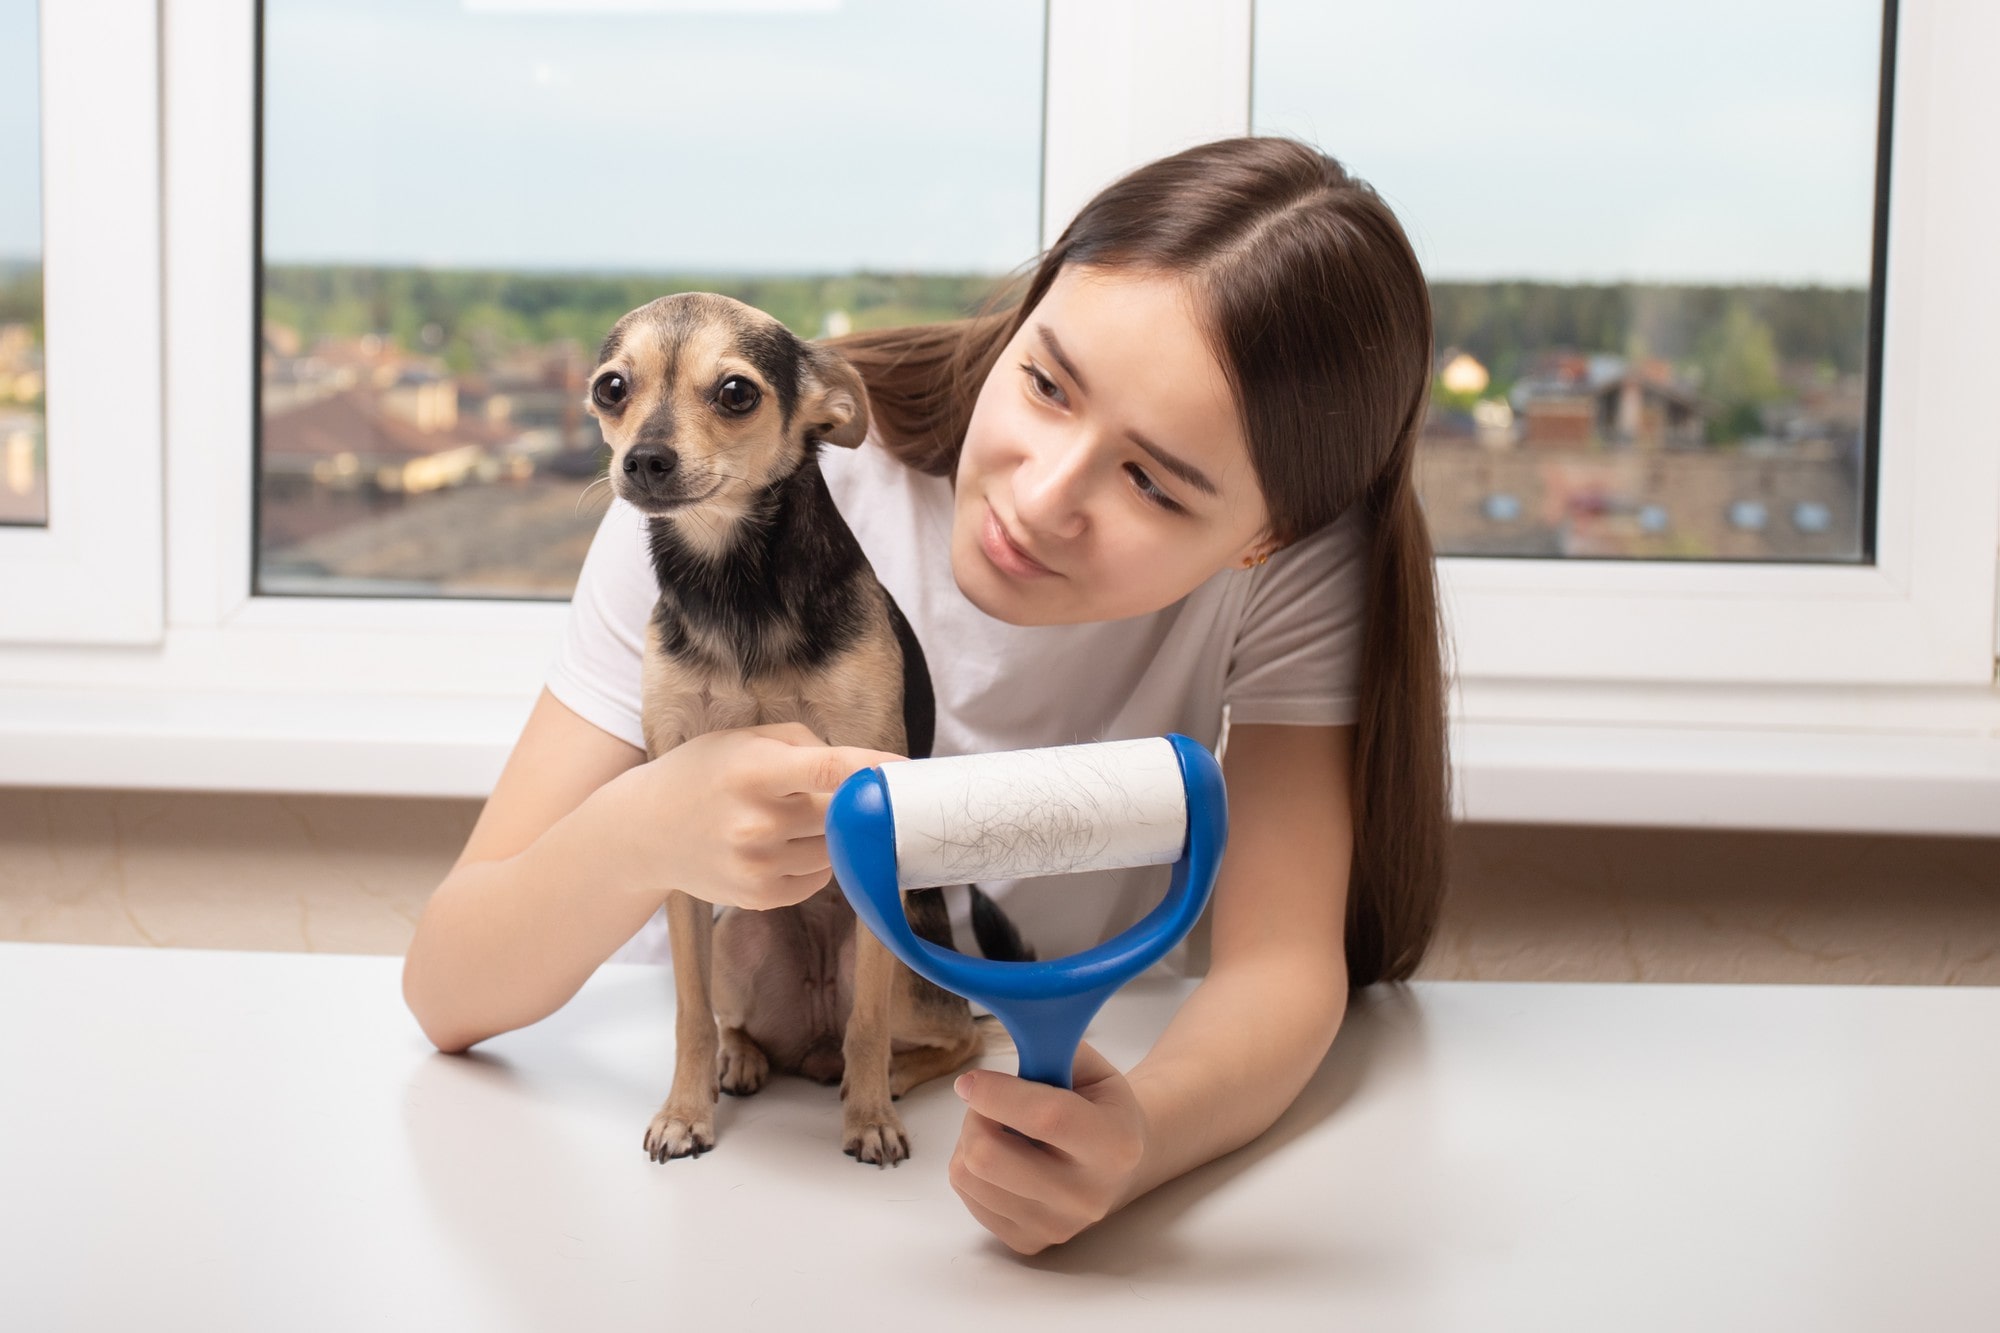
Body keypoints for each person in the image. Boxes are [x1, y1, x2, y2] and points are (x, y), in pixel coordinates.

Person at [402, 135, 1452, 1256]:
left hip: (947, 1103)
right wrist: (645, 828)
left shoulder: (1300, 571)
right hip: (711, 1201)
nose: (1043, 499)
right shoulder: (731, 461)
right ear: (1027, 305)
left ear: (1267, 537)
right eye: (1046, 382)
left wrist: (1141, 1137)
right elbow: (449, 986)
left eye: (1149, 480)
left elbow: (1283, 967)